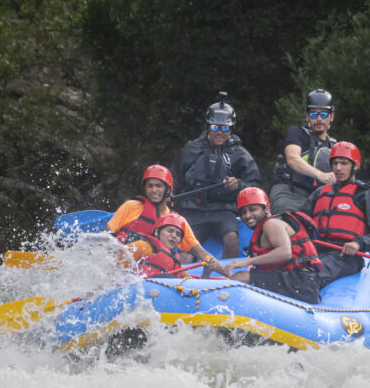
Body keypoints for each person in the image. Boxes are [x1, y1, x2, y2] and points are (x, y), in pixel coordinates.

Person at [173, 92, 261, 258]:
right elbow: (175, 176)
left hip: (223, 210)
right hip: (193, 209)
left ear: (231, 128)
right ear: (208, 126)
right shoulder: (192, 149)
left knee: (231, 239)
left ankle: (228, 277)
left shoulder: (240, 154)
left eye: (225, 128)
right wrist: (170, 194)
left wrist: (240, 185)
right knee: (185, 249)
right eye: (215, 127)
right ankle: (184, 280)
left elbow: (255, 186)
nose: (219, 132)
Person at [300, 141, 370, 289]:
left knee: (309, 276)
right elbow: (299, 221)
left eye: (344, 163)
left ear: (355, 166)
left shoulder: (365, 194)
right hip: (316, 251)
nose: (338, 168)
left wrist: (358, 243)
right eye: (335, 163)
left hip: (346, 256)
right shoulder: (319, 193)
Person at [106, 164, 226, 275]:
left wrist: (228, 274)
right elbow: (105, 237)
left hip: (151, 270)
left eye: (158, 186)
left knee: (176, 265)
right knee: (144, 246)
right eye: (150, 186)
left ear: (168, 190)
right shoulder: (131, 206)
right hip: (119, 265)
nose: (154, 190)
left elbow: (201, 253)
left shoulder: (176, 222)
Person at [222, 187, 322, 304]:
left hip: (300, 282)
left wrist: (246, 262)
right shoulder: (264, 227)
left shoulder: (271, 224)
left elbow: (285, 253)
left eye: (253, 209)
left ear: (267, 208)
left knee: (239, 278)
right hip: (295, 280)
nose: (247, 215)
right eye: (243, 212)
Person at [270, 88, 339, 214]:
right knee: (287, 225)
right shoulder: (296, 132)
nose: (319, 119)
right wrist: (320, 175)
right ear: (307, 116)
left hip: (317, 197)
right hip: (289, 193)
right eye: (313, 114)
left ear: (331, 116)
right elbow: (293, 159)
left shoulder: (334, 145)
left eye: (323, 114)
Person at [135, 213, 195, 278]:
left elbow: (189, 284)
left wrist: (206, 272)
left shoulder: (175, 260)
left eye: (178, 234)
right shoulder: (142, 246)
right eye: (170, 231)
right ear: (157, 231)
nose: (174, 236)